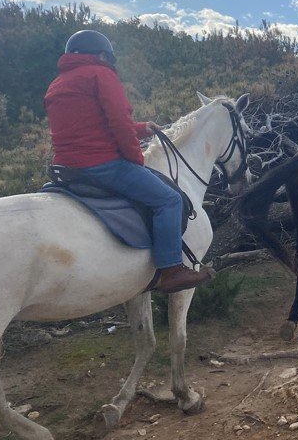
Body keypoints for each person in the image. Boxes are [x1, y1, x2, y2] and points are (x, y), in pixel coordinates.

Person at [43, 30, 209, 293]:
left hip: (67, 168)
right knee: (169, 199)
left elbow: (89, 123)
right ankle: (171, 269)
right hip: (102, 166)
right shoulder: (101, 74)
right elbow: (118, 122)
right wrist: (136, 159)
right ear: (101, 55)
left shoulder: (57, 84)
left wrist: (142, 128)